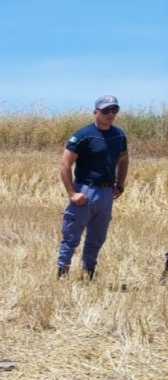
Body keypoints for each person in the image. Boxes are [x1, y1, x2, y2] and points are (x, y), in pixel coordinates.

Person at [57, 95, 128, 278]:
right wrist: (72, 193)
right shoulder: (82, 135)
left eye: (114, 110)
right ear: (95, 112)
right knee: (72, 234)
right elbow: (65, 165)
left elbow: (124, 159)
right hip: (85, 190)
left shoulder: (119, 135)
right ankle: (62, 272)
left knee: (97, 237)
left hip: (106, 192)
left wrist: (119, 186)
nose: (110, 114)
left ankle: (88, 272)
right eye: (105, 111)